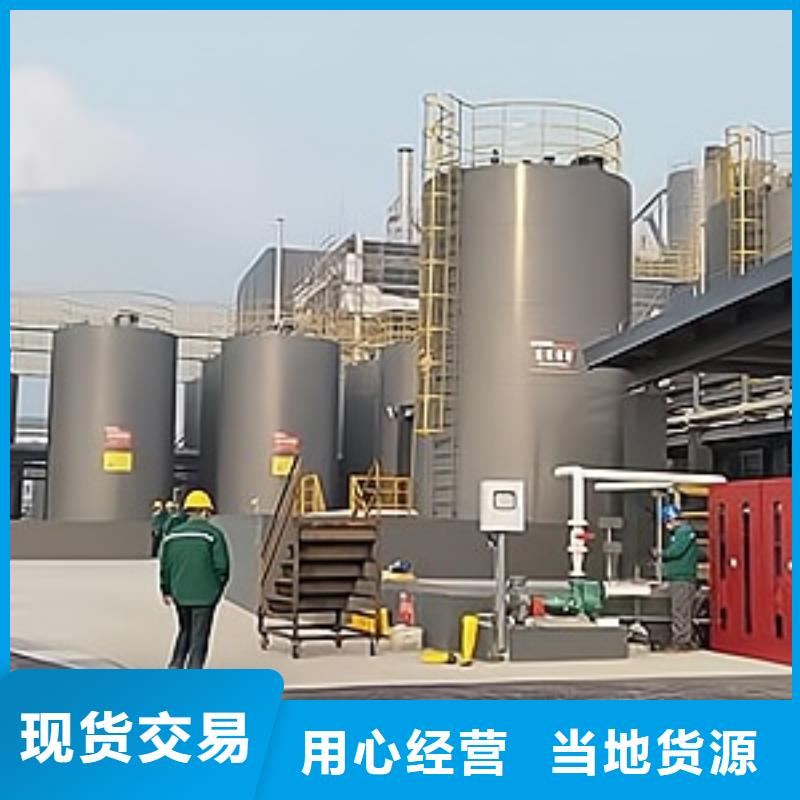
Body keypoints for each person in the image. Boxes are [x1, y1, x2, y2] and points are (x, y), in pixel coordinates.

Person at [159, 489, 230, 669]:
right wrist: (216, 590)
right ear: (205, 511)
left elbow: (165, 565)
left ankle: (175, 666)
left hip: (180, 593)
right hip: (205, 596)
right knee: (199, 637)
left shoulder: (172, 536)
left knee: (184, 630)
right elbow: (222, 567)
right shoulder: (213, 535)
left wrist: (166, 589)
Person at [659, 503, 699, 652]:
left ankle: (681, 641)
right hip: (683, 578)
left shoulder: (683, 533)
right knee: (684, 611)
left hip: (681, 579)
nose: (666, 526)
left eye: (666, 522)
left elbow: (676, 552)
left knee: (680, 610)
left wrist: (661, 554)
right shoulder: (683, 533)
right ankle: (685, 639)